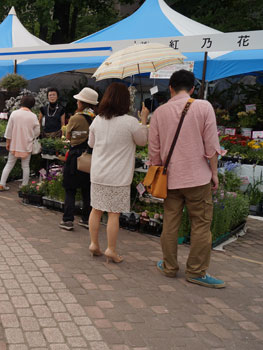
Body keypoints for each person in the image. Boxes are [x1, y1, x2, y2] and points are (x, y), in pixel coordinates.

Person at [149, 70, 225, 289]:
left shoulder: (159, 113)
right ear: (192, 88)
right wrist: (214, 173)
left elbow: (154, 152)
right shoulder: (204, 107)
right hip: (198, 178)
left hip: (170, 179)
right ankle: (196, 272)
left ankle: (169, 266)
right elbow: (211, 147)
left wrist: (158, 170)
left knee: (170, 223)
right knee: (201, 224)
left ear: (171, 88)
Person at [88, 82, 148, 263]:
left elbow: (91, 144)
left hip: (98, 172)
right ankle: (111, 249)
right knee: (114, 213)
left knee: (96, 209)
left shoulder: (97, 120)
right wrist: (144, 120)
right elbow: (143, 141)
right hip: (118, 176)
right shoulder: (130, 122)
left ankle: (93, 244)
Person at [59, 88, 99, 231]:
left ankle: (68, 220)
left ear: (82, 103)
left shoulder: (76, 118)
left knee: (70, 189)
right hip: (90, 157)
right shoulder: (96, 118)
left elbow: (68, 136)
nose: (77, 102)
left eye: (78, 100)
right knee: (87, 190)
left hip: (75, 157)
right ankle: (86, 220)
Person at [0, 95, 40, 191]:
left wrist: (8, 142)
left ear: (21, 102)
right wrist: (31, 136)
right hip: (27, 144)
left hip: (14, 144)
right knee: (25, 166)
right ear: (32, 105)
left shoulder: (14, 114)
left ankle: (1, 184)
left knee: (9, 164)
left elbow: (9, 130)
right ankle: (24, 186)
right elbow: (37, 131)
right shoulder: (33, 116)